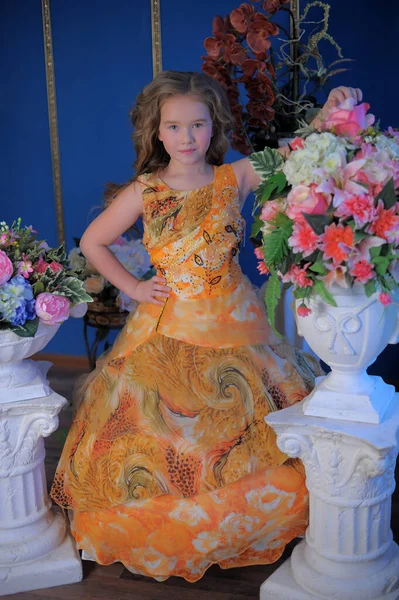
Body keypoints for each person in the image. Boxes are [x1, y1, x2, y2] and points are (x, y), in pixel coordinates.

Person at [50, 72, 362, 582]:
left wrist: (327, 115)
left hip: (236, 322)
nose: (187, 137)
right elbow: (92, 242)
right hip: (169, 326)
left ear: (212, 127)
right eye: (174, 127)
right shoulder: (145, 190)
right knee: (161, 428)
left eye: (197, 125)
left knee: (249, 419)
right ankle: (173, 526)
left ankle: (242, 521)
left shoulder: (233, 177)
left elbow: (296, 154)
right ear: (157, 132)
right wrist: (132, 287)